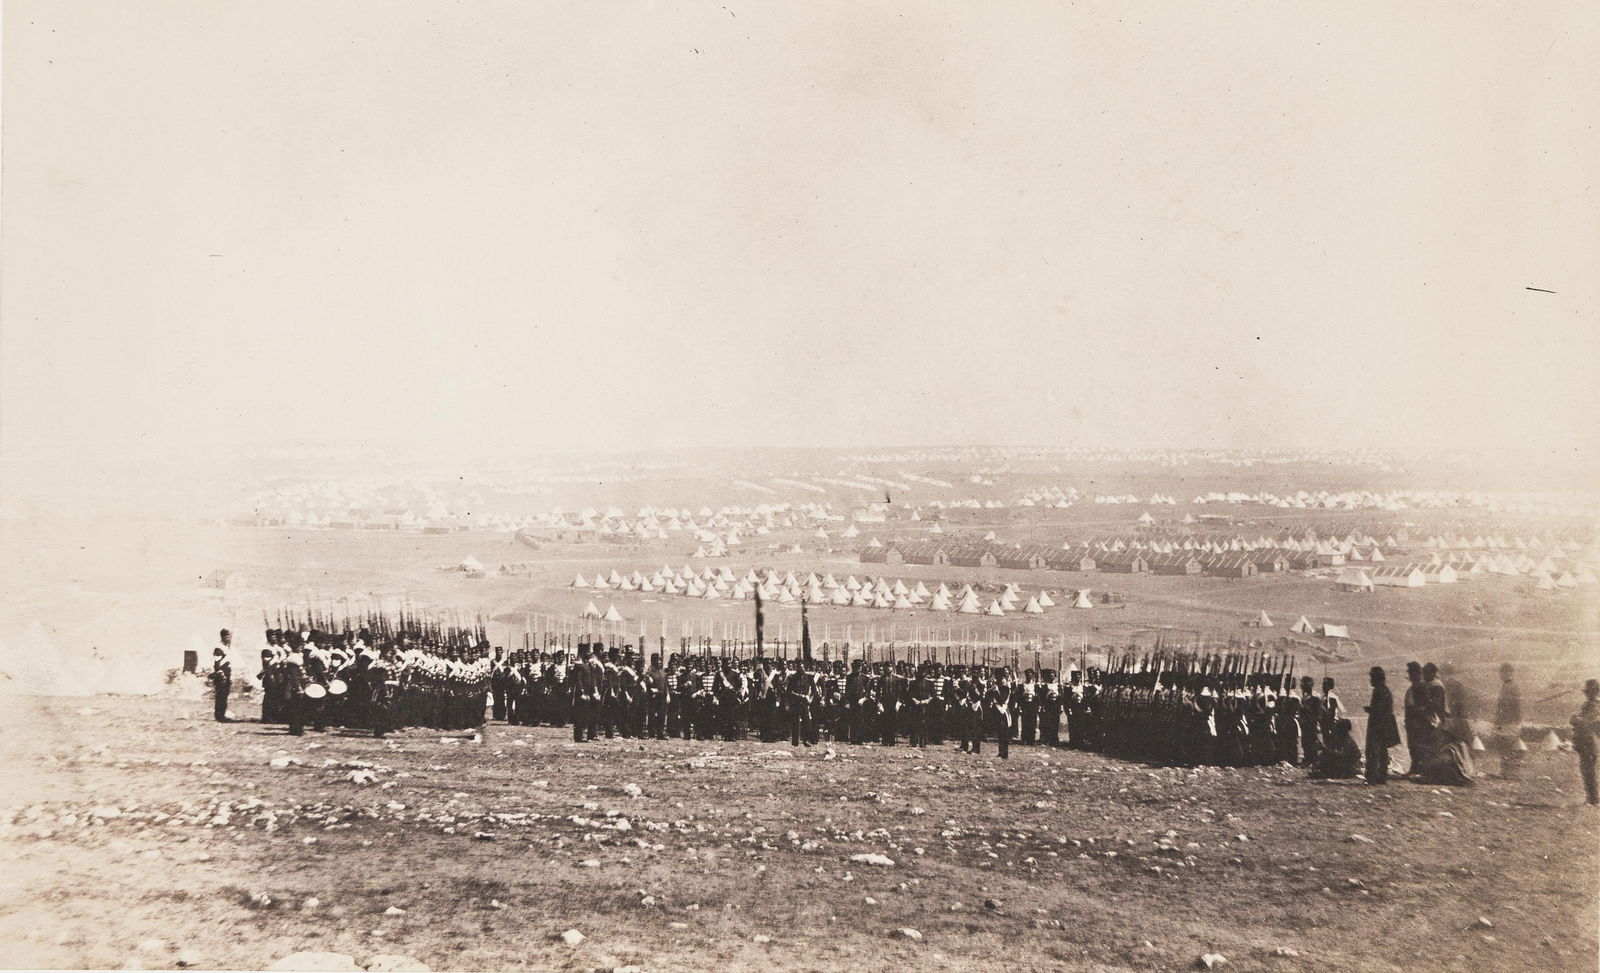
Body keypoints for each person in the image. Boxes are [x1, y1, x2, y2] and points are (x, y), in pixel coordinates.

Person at [1363, 666, 1400, 784]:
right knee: (1383, 750)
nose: (1370, 680)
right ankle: (1382, 775)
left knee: (1373, 750)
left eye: (1372, 677)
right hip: (1385, 724)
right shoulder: (1385, 690)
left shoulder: (1378, 690)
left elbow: (1378, 709)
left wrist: (1370, 710)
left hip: (1377, 724)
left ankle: (1371, 777)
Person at [1571, 678, 1600, 806]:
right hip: (1584, 742)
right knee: (1585, 770)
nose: (1588, 694)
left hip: (1589, 742)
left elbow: (1587, 723)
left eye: (1590, 692)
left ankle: (1593, 799)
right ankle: (1590, 798)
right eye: (1587, 692)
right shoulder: (1586, 705)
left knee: (1588, 771)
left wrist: (1575, 719)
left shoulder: (1595, 707)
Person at [1494, 663, 1525, 781]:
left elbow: (1509, 707)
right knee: (1505, 747)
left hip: (1508, 722)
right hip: (1508, 722)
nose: (1500, 675)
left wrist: (1501, 722)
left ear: (1508, 673)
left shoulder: (1510, 687)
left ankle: (1509, 773)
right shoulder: (1508, 686)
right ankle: (1506, 773)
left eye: (1502, 672)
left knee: (1507, 746)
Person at [210, 629, 233, 722]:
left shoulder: (226, 647)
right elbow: (217, 664)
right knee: (220, 696)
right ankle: (219, 716)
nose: (229, 639)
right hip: (221, 675)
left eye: (230, 637)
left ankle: (222, 714)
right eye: (227, 637)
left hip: (227, 674)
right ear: (223, 637)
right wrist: (221, 674)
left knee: (225, 695)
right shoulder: (218, 649)